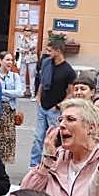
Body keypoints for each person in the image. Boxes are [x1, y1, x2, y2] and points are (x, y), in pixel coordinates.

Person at [30, 39, 76, 168]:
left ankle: (56, 164)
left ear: (58, 51)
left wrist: (59, 105)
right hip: (43, 106)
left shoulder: (68, 70)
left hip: (55, 110)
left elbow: (71, 92)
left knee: (56, 139)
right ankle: (34, 165)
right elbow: (42, 83)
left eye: (50, 50)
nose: (47, 52)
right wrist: (38, 97)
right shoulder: (46, 64)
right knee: (38, 138)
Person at [0, 51, 24, 164]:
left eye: (11, 60)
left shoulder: (15, 76)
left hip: (10, 111)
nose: (10, 62)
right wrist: (9, 93)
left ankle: (3, 165)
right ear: (0, 61)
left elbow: (19, 92)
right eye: (7, 60)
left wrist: (3, 91)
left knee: (8, 139)